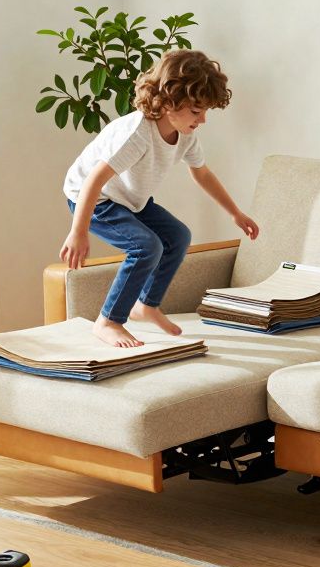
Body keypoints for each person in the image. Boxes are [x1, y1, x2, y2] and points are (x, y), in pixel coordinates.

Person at [59, 49, 259, 348]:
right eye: (195, 111)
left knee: (178, 236)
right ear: (168, 102)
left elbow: (202, 174)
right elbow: (94, 180)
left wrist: (235, 213)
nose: (203, 119)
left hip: (129, 198)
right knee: (145, 246)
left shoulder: (186, 134)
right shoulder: (136, 134)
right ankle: (109, 321)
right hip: (95, 198)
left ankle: (146, 305)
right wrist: (78, 231)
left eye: (205, 111)